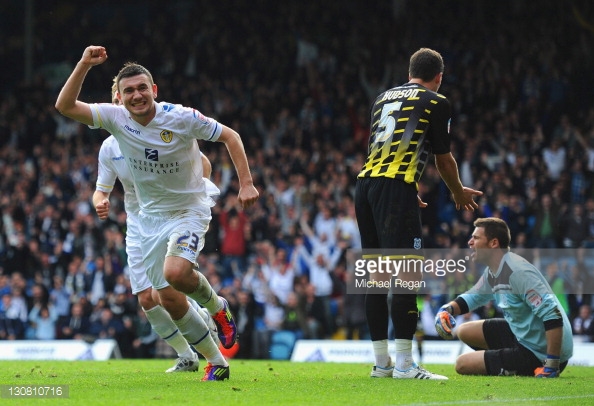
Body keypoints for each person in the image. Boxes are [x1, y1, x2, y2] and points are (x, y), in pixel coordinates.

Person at [55, 45, 259, 381]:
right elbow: (64, 106)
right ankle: (216, 362)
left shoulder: (180, 117)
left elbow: (230, 137)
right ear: (119, 98)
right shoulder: (115, 123)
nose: (136, 95)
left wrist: (246, 183)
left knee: (176, 274)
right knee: (164, 297)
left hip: (187, 210)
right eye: (129, 91)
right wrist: (83, 65)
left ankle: (217, 308)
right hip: (146, 221)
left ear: (154, 90)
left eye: (141, 88)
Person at [354, 48, 482, 380]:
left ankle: (382, 364)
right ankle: (405, 365)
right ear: (438, 77)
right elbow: (443, 159)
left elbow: (386, 149)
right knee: (407, 275)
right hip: (394, 190)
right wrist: (457, 192)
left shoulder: (382, 98)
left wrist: (408, 188)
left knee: (377, 277)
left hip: (366, 187)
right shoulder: (437, 102)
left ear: (410, 71)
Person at [92, 82, 219, 372]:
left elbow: (202, 164)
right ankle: (187, 356)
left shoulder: (154, 134)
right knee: (146, 300)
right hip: (138, 225)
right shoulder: (109, 148)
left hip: (169, 216)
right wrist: (99, 201)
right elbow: (101, 189)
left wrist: (195, 195)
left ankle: (207, 319)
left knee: (168, 287)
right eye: (117, 98)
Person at [434, 217, 573, 377]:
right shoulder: (494, 270)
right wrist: (447, 309)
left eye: (476, 238)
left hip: (540, 352)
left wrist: (552, 364)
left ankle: (515, 363)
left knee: (462, 364)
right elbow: (473, 297)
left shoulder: (518, 272)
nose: (470, 242)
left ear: (493, 243)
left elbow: (552, 315)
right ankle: (506, 360)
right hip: (522, 336)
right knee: (463, 331)